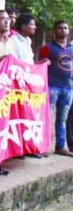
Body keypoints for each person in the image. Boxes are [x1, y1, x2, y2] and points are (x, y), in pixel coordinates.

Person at [39, 21, 73, 157]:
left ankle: (60, 146)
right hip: (52, 85)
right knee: (48, 117)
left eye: (65, 28)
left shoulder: (71, 48)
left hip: (68, 87)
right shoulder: (48, 48)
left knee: (62, 119)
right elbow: (40, 64)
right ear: (55, 31)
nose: (63, 30)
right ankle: (43, 146)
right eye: (60, 28)